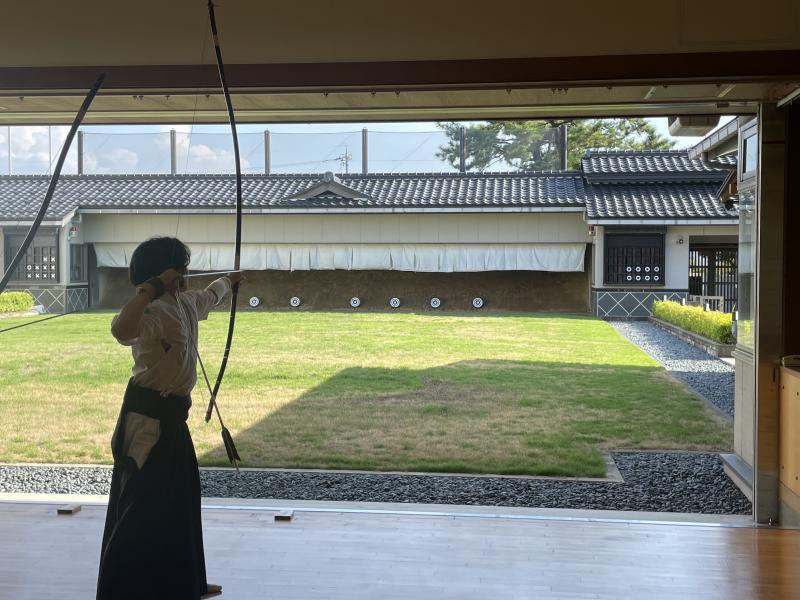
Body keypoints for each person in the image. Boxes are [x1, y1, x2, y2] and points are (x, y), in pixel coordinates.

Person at [97, 236, 243, 600]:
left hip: (174, 419)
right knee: (141, 507)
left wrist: (230, 280)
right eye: (180, 269)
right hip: (147, 421)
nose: (186, 275)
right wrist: (152, 288)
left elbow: (211, 295)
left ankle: (185, 581)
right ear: (164, 274)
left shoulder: (186, 302)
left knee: (180, 501)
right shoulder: (152, 309)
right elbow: (121, 330)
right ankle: (123, 589)